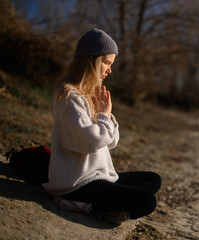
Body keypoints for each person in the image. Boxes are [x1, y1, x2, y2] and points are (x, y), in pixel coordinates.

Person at [42, 29, 161, 225]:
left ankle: (108, 205)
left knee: (153, 179)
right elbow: (92, 142)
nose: (109, 70)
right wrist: (104, 116)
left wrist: (105, 115)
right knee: (146, 201)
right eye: (106, 63)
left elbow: (112, 141)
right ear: (92, 61)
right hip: (76, 183)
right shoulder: (69, 97)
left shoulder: (91, 94)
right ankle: (81, 205)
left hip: (98, 175)